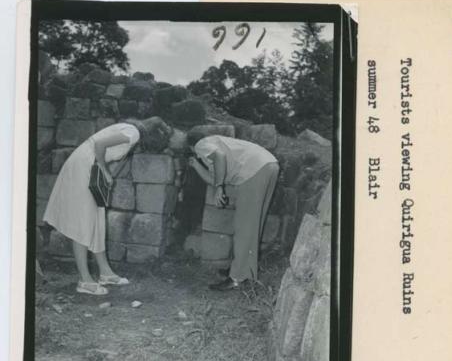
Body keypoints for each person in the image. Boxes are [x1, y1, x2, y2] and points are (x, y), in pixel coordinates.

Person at [43, 116, 171, 295]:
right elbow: (99, 145)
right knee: (83, 222)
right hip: (84, 167)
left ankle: (106, 273)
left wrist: (107, 176)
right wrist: (104, 170)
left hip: (89, 166)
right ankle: (85, 280)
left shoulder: (129, 132)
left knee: (97, 220)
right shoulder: (132, 133)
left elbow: (113, 157)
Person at [187, 131, 279, 291]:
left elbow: (220, 157)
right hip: (269, 165)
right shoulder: (216, 145)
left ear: (191, 145)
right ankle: (243, 271)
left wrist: (220, 188)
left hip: (254, 170)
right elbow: (214, 178)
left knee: (244, 227)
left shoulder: (202, 144)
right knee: (252, 225)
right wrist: (196, 165)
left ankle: (237, 278)